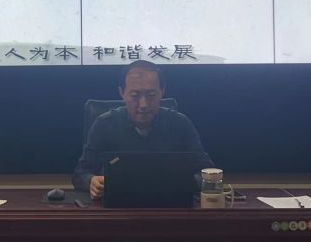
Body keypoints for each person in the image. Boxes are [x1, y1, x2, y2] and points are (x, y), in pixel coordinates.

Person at [72, 60, 214, 199]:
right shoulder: (104, 124)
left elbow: (209, 173)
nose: (144, 104)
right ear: (122, 93)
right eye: (135, 95)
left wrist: (185, 182)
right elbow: (80, 174)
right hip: (119, 208)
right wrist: (92, 181)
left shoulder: (180, 123)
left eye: (151, 95)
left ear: (162, 92)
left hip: (170, 205)